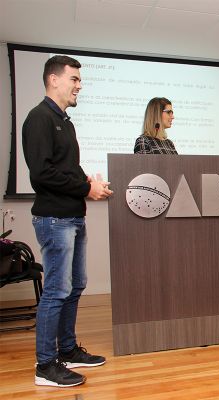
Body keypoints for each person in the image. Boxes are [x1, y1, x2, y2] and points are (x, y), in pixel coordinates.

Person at [22, 55, 113, 387]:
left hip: (73, 216)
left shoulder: (65, 122)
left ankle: (68, 350)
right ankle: (46, 366)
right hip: (54, 219)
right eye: (74, 79)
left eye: (79, 80)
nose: (79, 86)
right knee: (56, 291)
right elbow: (42, 174)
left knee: (74, 286)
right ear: (53, 79)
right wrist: (86, 188)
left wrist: (86, 181)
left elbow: (65, 168)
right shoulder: (39, 118)